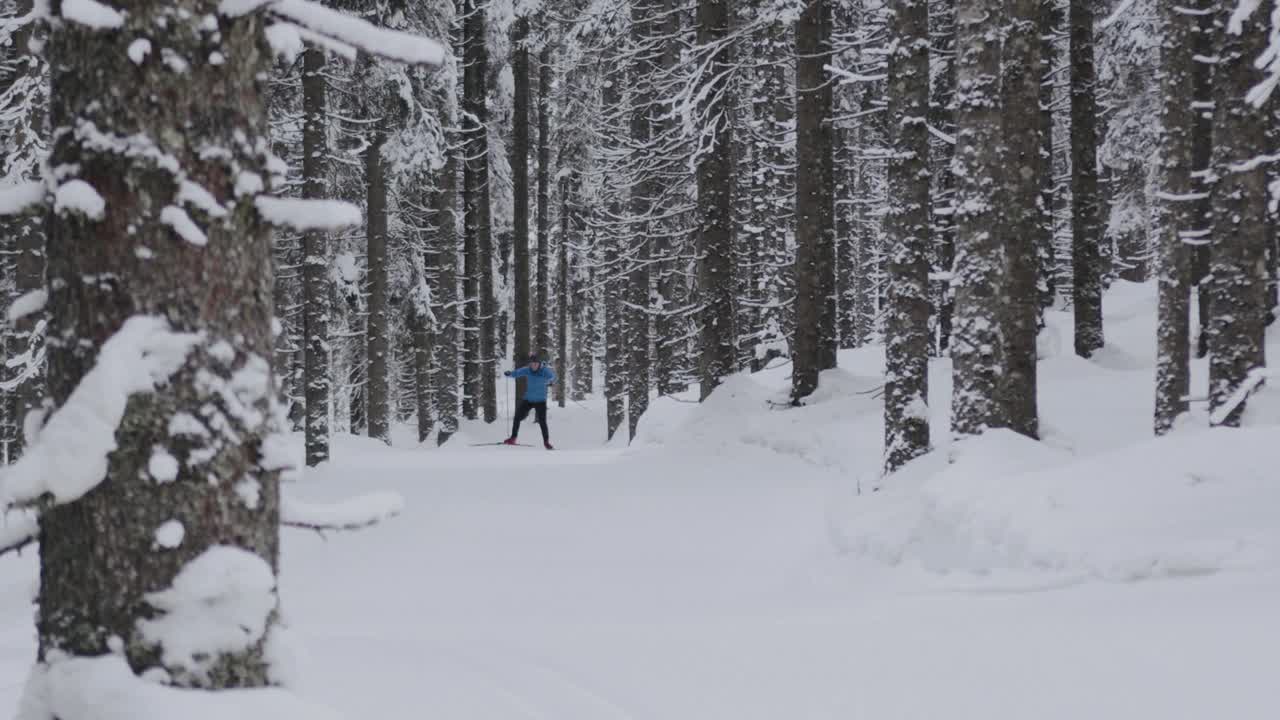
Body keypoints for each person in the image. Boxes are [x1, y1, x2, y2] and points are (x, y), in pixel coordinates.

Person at [503, 352, 556, 449]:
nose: (534, 365)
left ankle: (546, 442)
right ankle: (513, 438)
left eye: (536, 364)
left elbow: (553, 377)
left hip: (540, 401)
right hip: (528, 400)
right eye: (532, 364)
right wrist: (510, 374)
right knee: (517, 417)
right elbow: (517, 373)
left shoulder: (545, 371)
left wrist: (550, 382)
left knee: (542, 422)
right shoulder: (527, 370)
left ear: (539, 364)